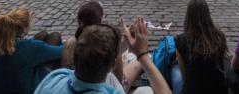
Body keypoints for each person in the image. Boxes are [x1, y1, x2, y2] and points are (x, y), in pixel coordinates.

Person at [35, 18, 172, 94]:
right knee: (145, 90)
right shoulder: (113, 91)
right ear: (112, 65)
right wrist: (142, 55)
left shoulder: (55, 77)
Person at [0, 8, 64, 94]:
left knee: (43, 35)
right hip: (32, 90)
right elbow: (60, 51)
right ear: (25, 28)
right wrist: (70, 42)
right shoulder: (28, 47)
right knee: (55, 36)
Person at [175, 0, 229, 94]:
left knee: (174, 70)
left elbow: (185, 76)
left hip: (193, 91)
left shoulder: (181, 40)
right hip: (219, 90)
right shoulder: (219, 36)